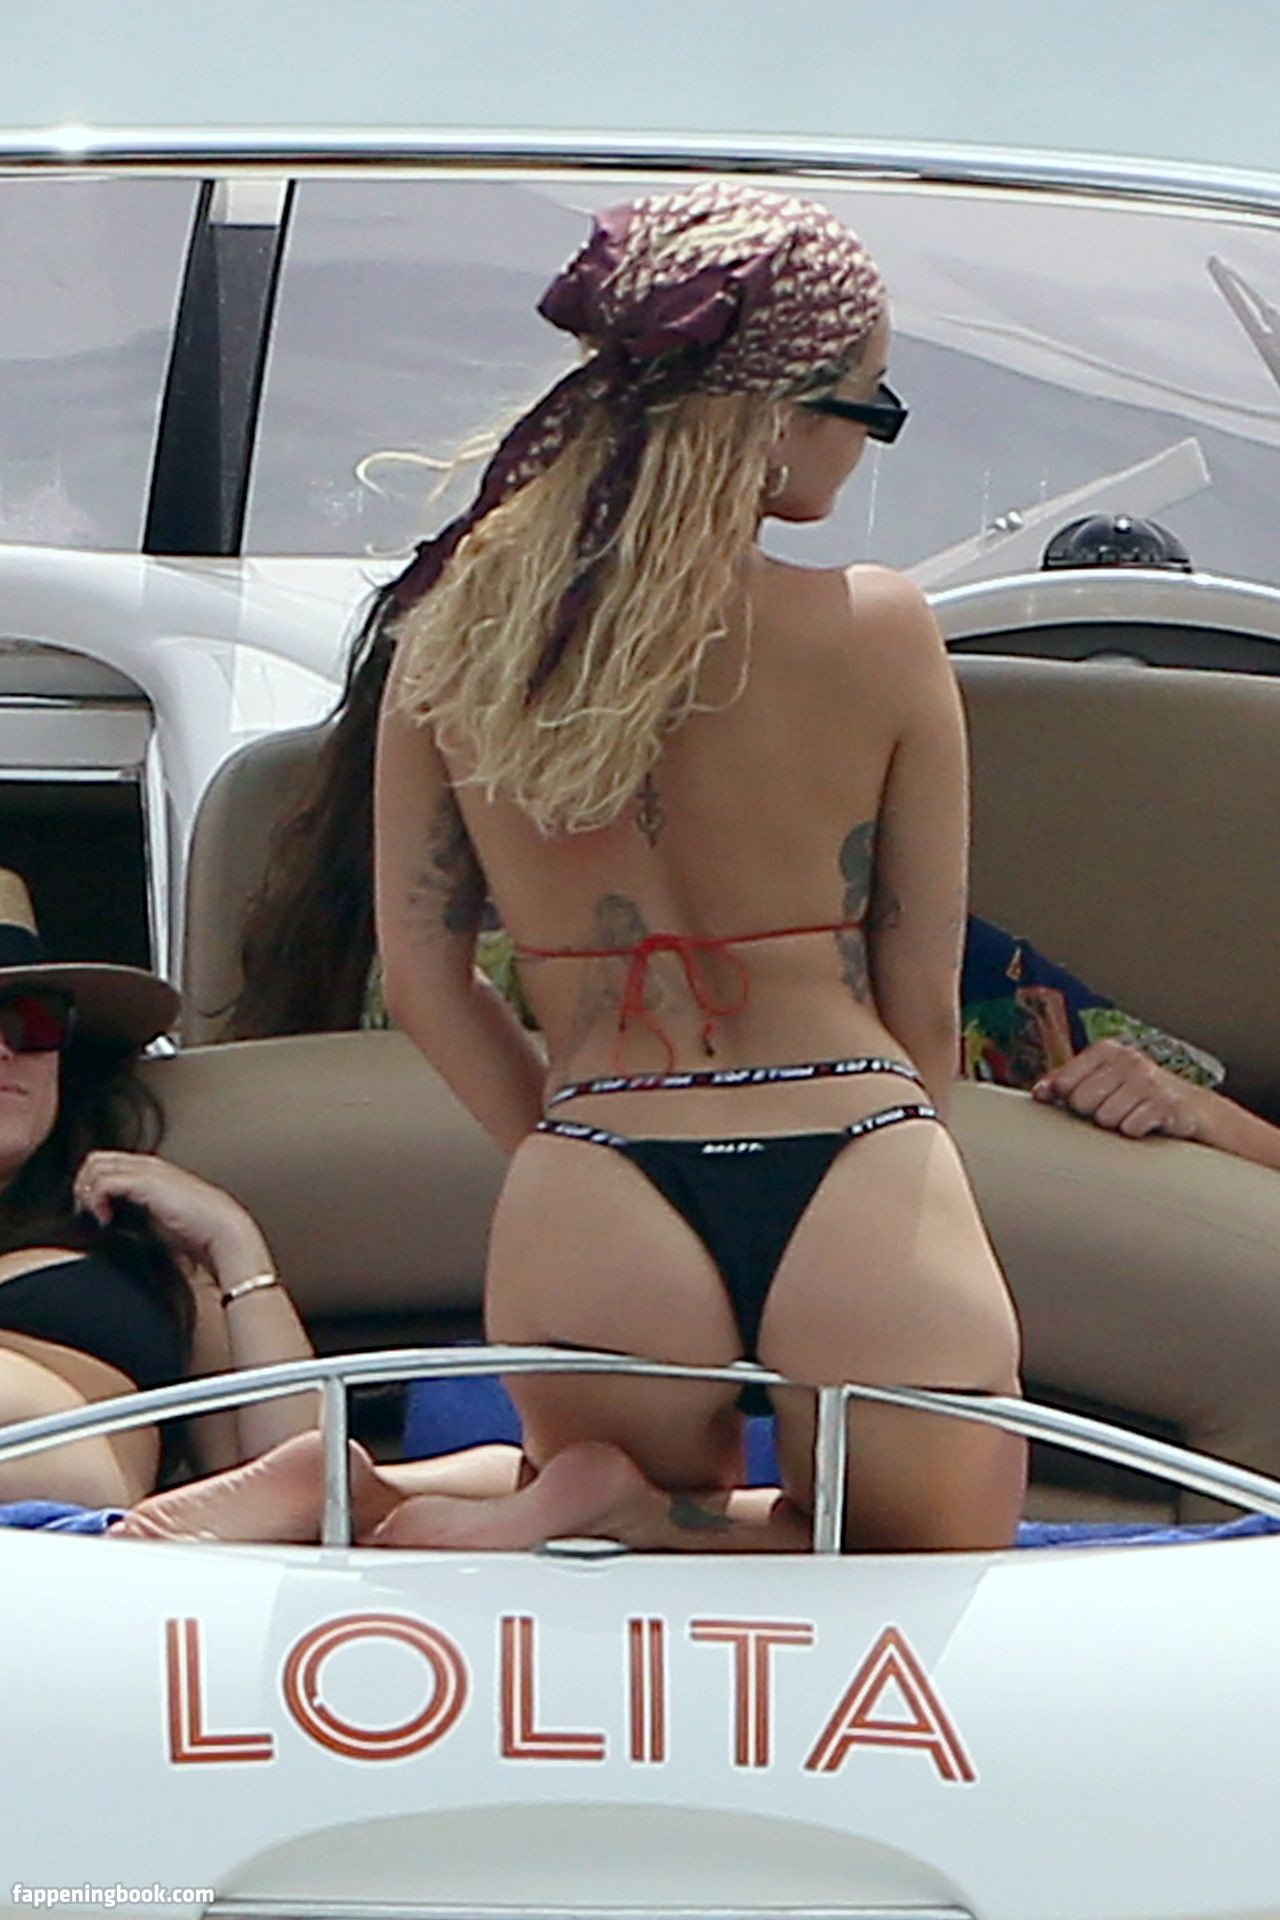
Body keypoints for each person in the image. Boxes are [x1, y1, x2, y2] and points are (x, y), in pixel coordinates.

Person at [371, 182, 1025, 1554]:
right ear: (781, 410)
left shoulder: (453, 646)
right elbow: (919, 992)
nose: (865, 442)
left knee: (612, 1588)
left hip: (600, 1155)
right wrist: (912, 1167)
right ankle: (632, 1516)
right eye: (870, 406)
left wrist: (567, 1145)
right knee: (930, 1568)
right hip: (852, 1142)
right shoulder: (880, 630)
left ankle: (465, 1502)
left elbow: (423, 979)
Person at [0, 868, 319, 1507]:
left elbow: (302, 1483)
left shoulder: (141, 1244)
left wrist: (233, 1242)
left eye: (31, 1022)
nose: (4, 1052)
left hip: (98, 1550)